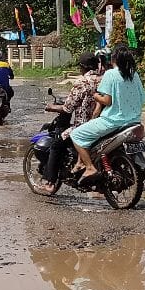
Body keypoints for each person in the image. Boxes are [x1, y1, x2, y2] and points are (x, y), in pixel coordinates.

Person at [70, 48, 145, 183]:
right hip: (134, 121)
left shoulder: (111, 74)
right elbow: (142, 98)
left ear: (113, 60)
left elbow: (107, 100)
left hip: (113, 121)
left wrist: (95, 96)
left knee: (76, 135)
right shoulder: (134, 75)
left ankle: (89, 167)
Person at [36, 53, 104, 191]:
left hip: (83, 126)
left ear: (82, 67)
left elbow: (67, 108)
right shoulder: (104, 80)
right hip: (101, 125)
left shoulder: (82, 82)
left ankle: (49, 182)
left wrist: (51, 107)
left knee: (56, 145)